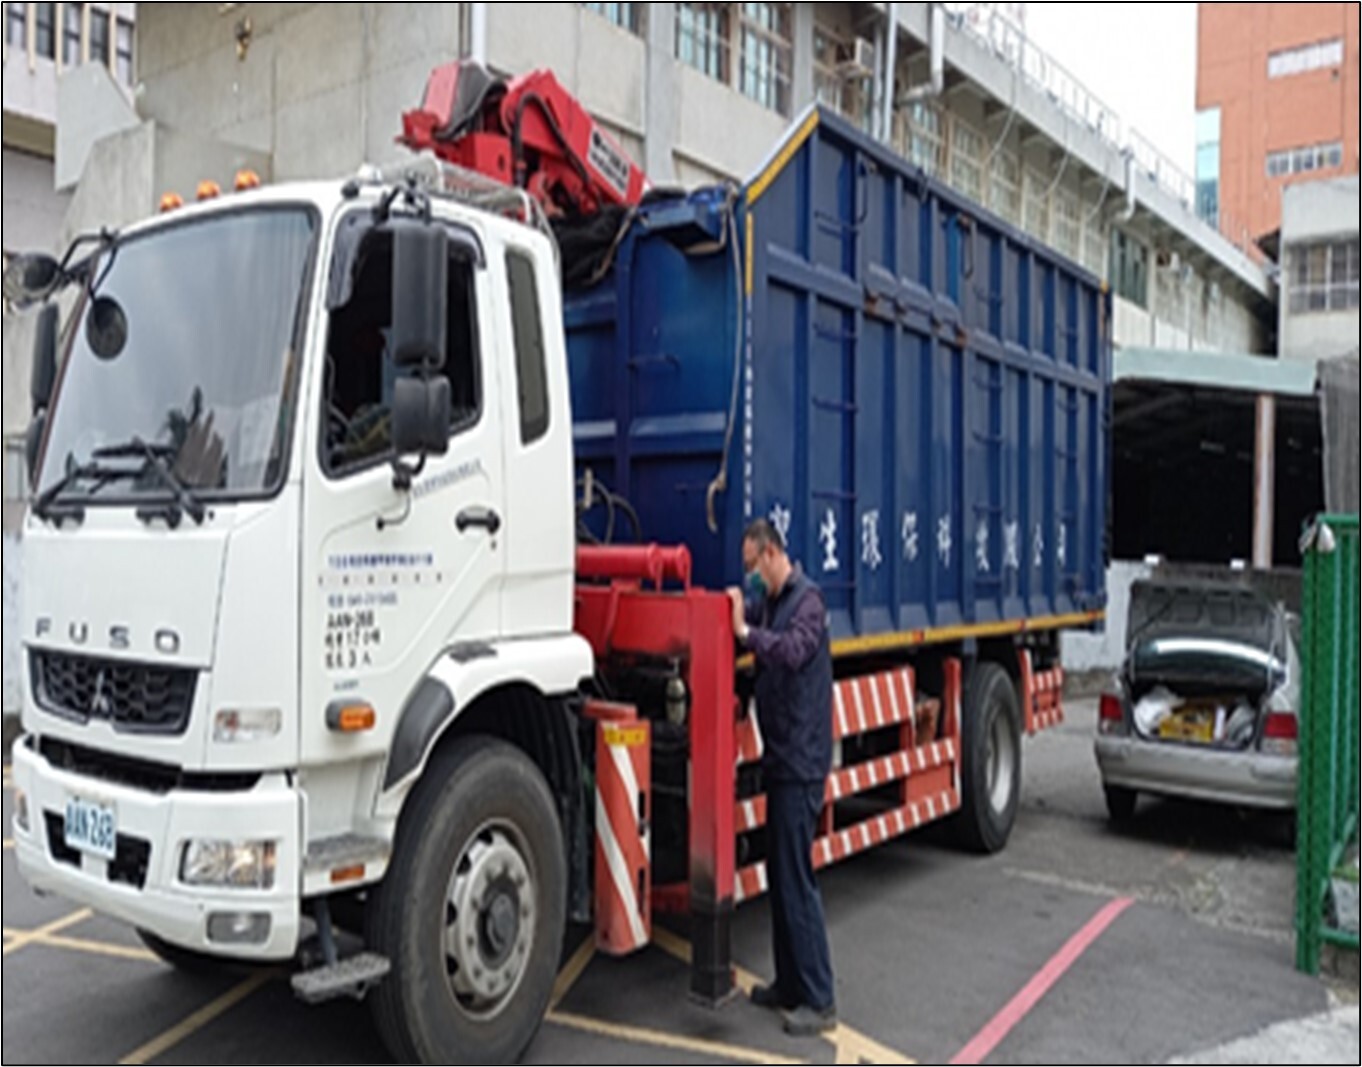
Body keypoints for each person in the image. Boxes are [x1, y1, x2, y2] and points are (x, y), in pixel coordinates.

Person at [726, 518, 837, 1037]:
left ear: (771, 553)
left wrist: (746, 632)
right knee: (780, 877)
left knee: (797, 879)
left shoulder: (807, 602)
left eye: (751, 567)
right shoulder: (770, 602)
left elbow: (790, 653)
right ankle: (789, 984)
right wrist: (728, 608)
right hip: (781, 758)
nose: (749, 577)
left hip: (802, 761)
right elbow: (742, 619)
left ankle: (819, 997)